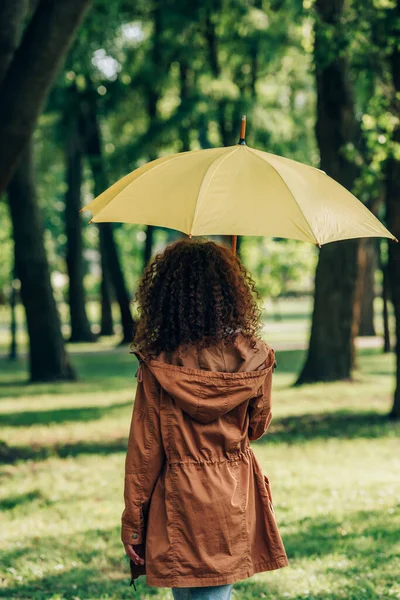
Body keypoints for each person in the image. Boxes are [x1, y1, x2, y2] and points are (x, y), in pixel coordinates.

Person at [121, 238, 289, 599]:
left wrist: (134, 523)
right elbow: (257, 427)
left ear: (165, 297)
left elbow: (145, 453)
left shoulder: (158, 363)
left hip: (178, 498)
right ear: (230, 293)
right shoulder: (255, 356)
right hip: (232, 493)